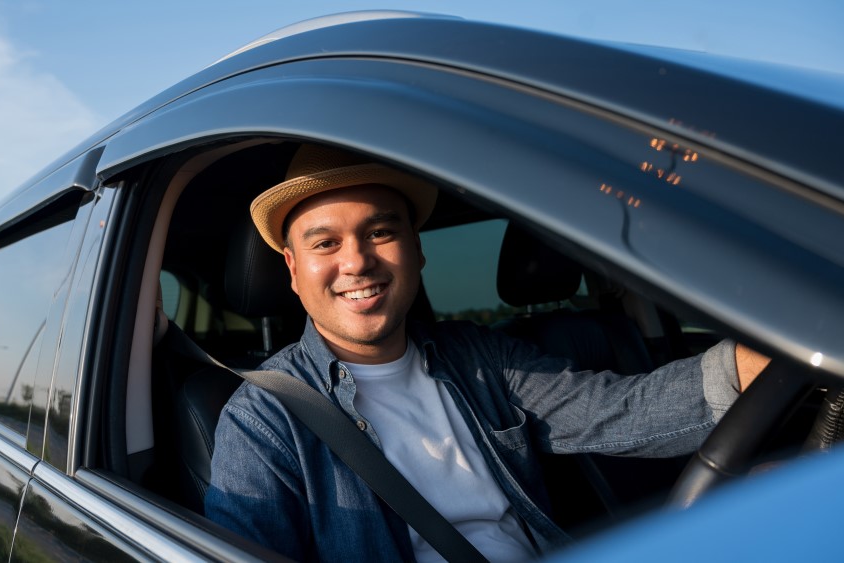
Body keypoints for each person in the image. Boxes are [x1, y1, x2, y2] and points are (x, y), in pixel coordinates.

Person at [205, 144, 769, 562]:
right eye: (325, 243)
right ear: (293, 270)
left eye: (380, 233)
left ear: (415, 250)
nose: (356, 262)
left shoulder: (480, 357)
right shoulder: (264, 418)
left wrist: (769, 358)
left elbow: (622, 411)